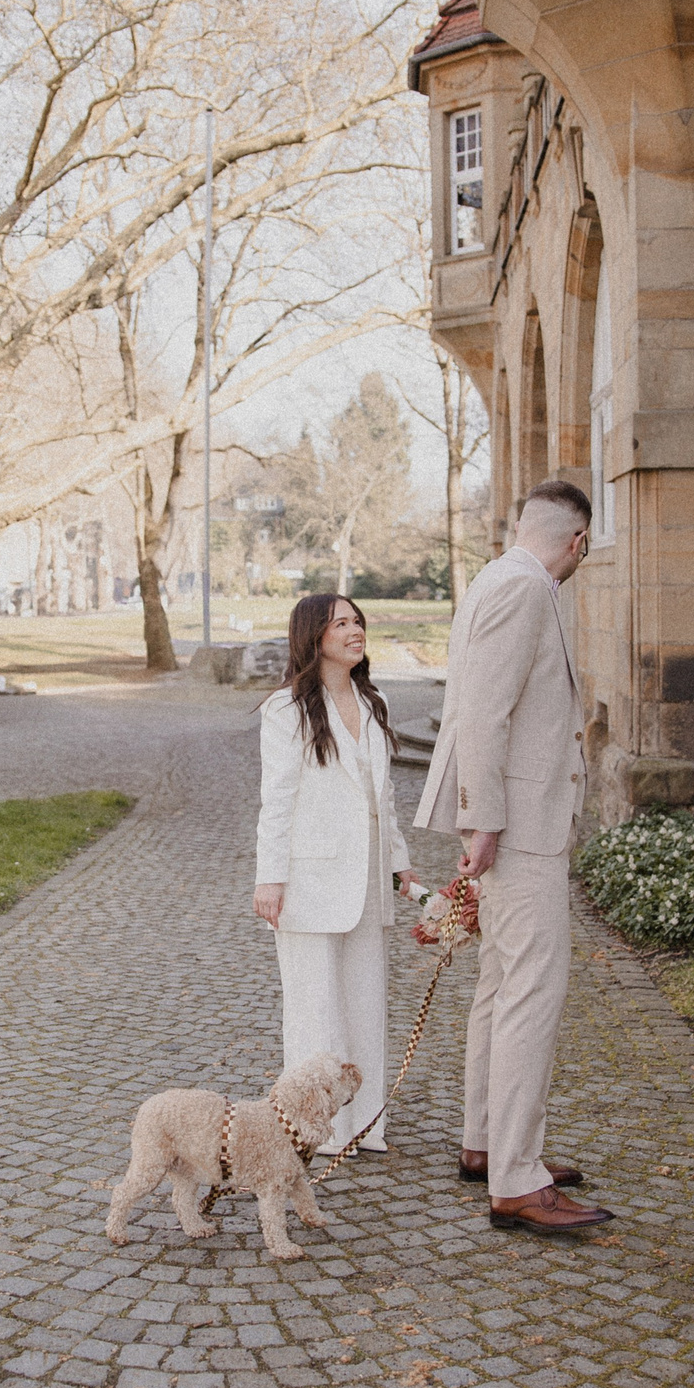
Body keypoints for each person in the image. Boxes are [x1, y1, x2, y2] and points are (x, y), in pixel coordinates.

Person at [415, 480, 612, 1233]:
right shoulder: (527, 588)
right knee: (531, 989)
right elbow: (486, 714)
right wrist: (483, 821)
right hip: (520, 825)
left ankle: (489, 1144)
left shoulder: (499, 579)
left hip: (514, 820)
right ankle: (517, 1179)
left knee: (500, 985)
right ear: (577, 542)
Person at [254, 594, 415, 1154]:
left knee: (366, 1005)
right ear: (313, 636)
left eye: (358, 621)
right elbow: (276, 800)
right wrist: (269, 878)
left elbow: (383, 797)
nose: (355, 631)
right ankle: (311, 1128)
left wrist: (399, 862)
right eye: (341, 623)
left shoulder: (375, 702)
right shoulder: (286, 709)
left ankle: (363, 1124)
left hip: (368, 879)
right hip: (309, 880)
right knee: (312, 1008)